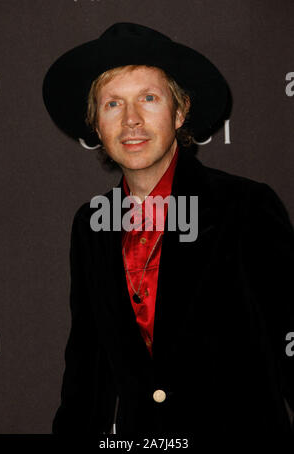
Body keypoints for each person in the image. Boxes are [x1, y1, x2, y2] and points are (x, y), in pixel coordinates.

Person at [43, 22, 294, 444]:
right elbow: (87, 370)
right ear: (96, 124)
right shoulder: (91, 225)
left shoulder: (246, 207)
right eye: (112, 105)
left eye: (149, 98)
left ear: (179, 112)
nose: (131, 121)